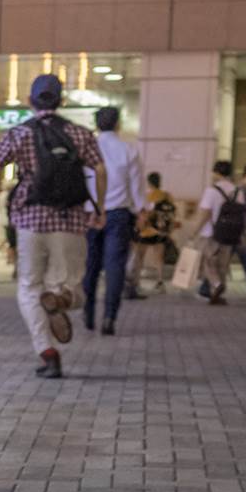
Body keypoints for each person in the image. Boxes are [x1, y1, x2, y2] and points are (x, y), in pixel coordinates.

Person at [0, 74, 104, 380]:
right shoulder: (80, 133)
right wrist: (101, 207)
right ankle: (61, 299)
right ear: (62, 100)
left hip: (29, 219)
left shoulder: (18, 133)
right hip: (69, 219)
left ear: (30, 101)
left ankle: (48, 352)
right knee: (70, 286)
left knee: (29, 287)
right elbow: (99, 168)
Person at [80, 106, 145, 336]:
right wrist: (140, 210)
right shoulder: (128, 150)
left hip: (89, 213)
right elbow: (137, 187)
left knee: (90, 266)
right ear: (118, 123)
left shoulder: (87, 150)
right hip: (118, 214)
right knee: (115, 266)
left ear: (97, 124)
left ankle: (87, 313)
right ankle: (109, 317)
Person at [184, 161, 246, 306]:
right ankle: (218, 293)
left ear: (217, 173)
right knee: (222, 264)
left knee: (207, 261)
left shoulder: (212, 191)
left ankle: (216, 283)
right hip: (230, 233)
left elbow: (205, 214)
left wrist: (194, 232)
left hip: (211, 233)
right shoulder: (238, 191)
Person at [130, 172, 176, 293]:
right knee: (159, 258)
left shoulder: (147, 195)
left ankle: (137, 281)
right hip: (160, 232)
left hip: (146, 231)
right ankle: (160, 282)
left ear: (149, 182)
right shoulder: (167, 195)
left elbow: (144, 212)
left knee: (140, 256)